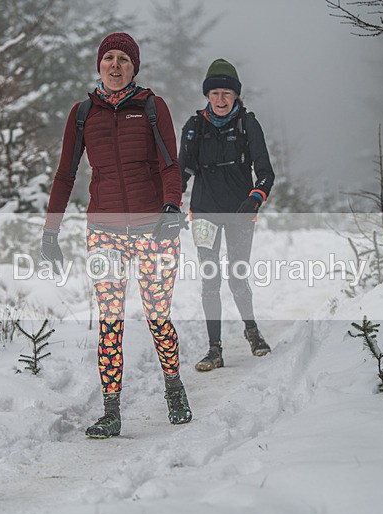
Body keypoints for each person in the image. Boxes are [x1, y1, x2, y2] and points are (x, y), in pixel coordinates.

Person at [40, 32, 191, 439]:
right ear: (99, 65)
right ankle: (111, 410)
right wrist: (50, 232)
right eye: (109, 57)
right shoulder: (82, 114)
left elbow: (170, 166)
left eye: (124, 58)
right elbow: (65, 175)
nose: (115, 64)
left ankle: (174, 388)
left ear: (134, 67)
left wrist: (172, 207)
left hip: (153, 229)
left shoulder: (153, 107)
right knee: (110, 321)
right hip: (104, 232)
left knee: (158, 315)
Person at [178, 58, 275, 372]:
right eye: (215, 93)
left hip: (239, 212)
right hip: (203, 212)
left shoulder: (248, 124)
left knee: (237, 277)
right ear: (207, 95)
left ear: (236, 97)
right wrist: (170, 203)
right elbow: (182, 171)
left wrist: (254, 199)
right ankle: (214, 350)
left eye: (227, 94)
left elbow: (265, 172)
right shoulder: (194, 127)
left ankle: (252, 331)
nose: (220, 99)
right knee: (210, 280)